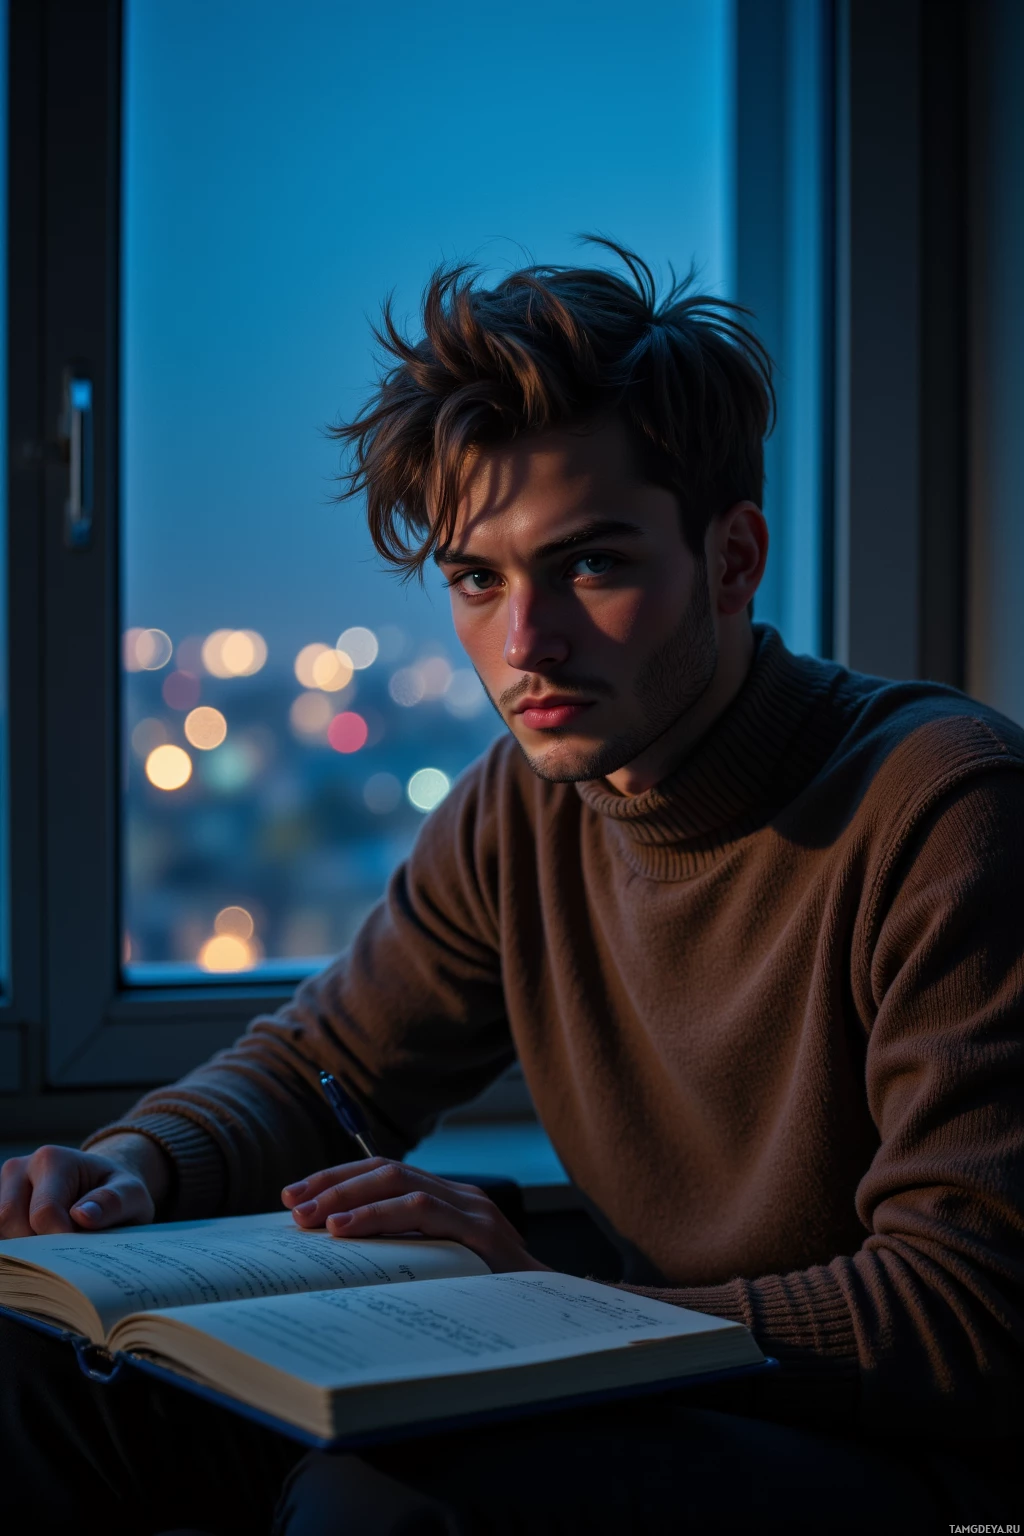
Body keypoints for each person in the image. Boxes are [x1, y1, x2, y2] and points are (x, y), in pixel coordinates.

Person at [2, 242, 1022, 1534]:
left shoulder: (947, 809)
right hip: (650, 1377)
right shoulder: (523, 802)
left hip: (918, 1471)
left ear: (732, 556)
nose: (525, 644)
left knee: (378, 1498)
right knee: (34, 1377)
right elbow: (325, 1069)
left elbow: (969, 1315)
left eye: (591, 566)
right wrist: (128, 1165)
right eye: (478, 580)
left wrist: (547, 1305)